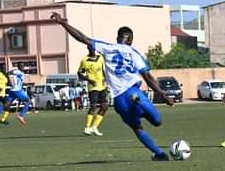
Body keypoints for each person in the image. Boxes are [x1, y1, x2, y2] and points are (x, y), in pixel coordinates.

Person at [50, 11, 175, 161]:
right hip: (133, 90)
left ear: (117, 38)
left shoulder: (107, 48)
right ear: (131, 40)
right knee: (157, 121)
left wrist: (63, 23)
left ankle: (159, 154)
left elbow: (83, 38)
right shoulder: (134, 53)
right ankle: (139, 105)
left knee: (137, 128)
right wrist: (163, 94)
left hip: (119, 99)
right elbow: (147, 77)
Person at [78, 43, 109, 136]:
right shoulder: (84, 60)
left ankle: (94, 127)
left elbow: (103, 70)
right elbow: (80, 73)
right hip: (93, 87)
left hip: (102, 86)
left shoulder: (100, 58)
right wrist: (89, 79)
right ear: (88, 48)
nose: (92, 49)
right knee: (93, 106)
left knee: (105, 106)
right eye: (90, 47)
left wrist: (105, 79)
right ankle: (87, 128)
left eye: (93, 48)